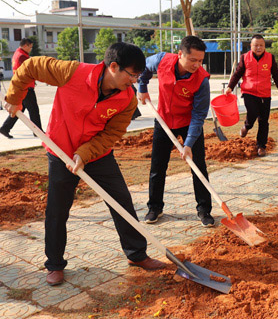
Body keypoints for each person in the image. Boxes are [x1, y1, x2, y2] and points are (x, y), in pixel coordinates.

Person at [2, 43, 165, 286]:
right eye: (131, 75)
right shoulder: (72, 73)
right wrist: (15, 98)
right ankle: (55, 264)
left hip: (97, 155)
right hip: (60, 151)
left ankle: (137, 254)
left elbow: (112, 134)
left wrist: (85, 153)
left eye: (137, 77)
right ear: (113, 67)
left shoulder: (127, 99)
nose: (133, 81)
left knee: (121, 201)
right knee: (57, 211)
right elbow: (31, 66)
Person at [137, 36, 213, 226]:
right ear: (180, 54)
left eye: (200, 60)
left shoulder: (202, 80)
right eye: (193, 60)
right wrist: (142, 87)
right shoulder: (162, 60)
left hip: (189, 123)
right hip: (163, 120)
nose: (197, 65)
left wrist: (188, 144)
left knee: (198, 167)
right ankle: (155, 208)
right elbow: (144, 67)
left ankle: (204, 210)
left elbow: (199, 115)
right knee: (157, 167)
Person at [225, 34, 278, 157]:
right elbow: (237, 74)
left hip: (265, 94)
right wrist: (230, 87)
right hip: (249, 92)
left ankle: (261, 146)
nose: (259, 47)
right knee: (252, 112)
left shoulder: (270, 58)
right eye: (256, 45)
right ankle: (247, 126)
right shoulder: (245, 58)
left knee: (264, 121)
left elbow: (276, 75)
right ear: (251, 46)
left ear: (264, 46)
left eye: (261, 45)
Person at [0, 38, 42, 139]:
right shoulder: (22, 56)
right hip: (26, 87)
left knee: (20, 109)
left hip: (21, 86)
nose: (30, 49)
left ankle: (5, 128)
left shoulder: (16, 54)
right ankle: (38, 132)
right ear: (25, 46)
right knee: (34, 110)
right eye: (30, 47)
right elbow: (29, 70)